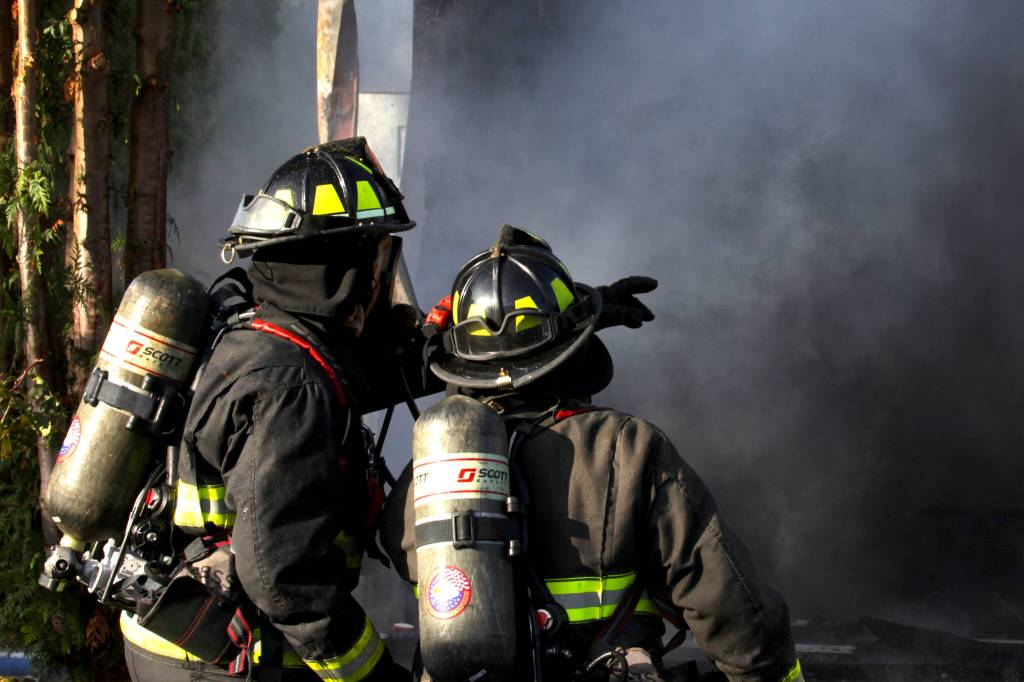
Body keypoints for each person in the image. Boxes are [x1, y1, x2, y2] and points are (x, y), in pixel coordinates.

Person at [382, 226, 803, 682]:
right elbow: (734, 611)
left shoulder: (428, 472)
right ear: (573, 346)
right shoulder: (627, 447)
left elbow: (394, 543)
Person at [121, 138, 424, 681]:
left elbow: (376, 374)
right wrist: (374, 676)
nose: (383, 279)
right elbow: (285, 580)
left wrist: (556, 324)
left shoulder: (255, 335)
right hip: (221, 657)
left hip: (180, 636)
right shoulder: (290, 387)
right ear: (347, 265)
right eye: (376, 255)